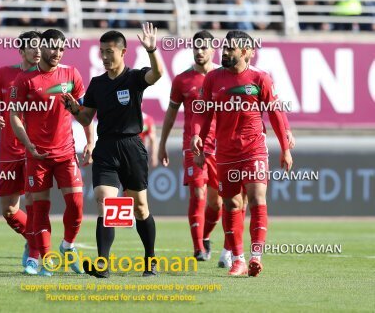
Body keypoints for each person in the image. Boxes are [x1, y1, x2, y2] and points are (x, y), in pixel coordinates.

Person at [62, 23, 163, 278]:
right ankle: (103, 266)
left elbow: (158, 74)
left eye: (110, 51)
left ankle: (150, 259)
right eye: (102, 51)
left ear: (123, 52)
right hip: (105, 147)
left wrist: (152, 50)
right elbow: (86, 119)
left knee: (140, 208)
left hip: (132, 146)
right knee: (106, 204)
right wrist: (74, 109)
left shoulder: (134, 77)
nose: (105, 57)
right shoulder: (96, 83)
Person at [191, 30, 293, 277]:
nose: (224, 52)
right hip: (225, 152)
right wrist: (199, 137)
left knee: (257, 198)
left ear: (246, 52)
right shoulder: (213, 79)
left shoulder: (260, 78)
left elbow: (276, 114)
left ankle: (256, 255)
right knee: (232, 204)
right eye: (224, 48)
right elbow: (205, 113)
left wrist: (285, 148)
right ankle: (238, 259)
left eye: (231, 49)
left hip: (254, 149)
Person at [10, 29, 94, 277]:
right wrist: (27, 144)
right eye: (52, 48)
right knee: (39, 209)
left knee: (77, 205)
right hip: (37, 156)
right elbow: (14, 115)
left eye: (61, 49)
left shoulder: (71, 74)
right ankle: (46, 259)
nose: (56, 53)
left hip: (66, 153)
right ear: (41, 48)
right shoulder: (24, 80)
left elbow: (84, 112)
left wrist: (90, 141)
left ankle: (67, 245)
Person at [158, 30, 225, 263]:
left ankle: (205, 236)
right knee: (198, 192)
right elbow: (170, 114)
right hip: (193, 146)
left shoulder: (222, 76)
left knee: (217, 202)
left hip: (220, 147)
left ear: (213, 49)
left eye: (204, 47)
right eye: (196, 47)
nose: (199, 51)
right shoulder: (182, 80)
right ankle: (198, 248)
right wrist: (162, 143)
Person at [0, 30, 41, 269]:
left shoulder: (47, 76)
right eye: (33, 47)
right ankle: (33, 238)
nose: (39, 51)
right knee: (9, 210)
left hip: (35, 151)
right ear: (21, 51)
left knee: (34, 203)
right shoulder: (4, 74)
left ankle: (36, 254)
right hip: (9, 151)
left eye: (42, 47)